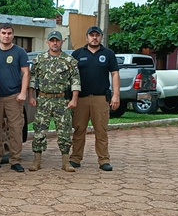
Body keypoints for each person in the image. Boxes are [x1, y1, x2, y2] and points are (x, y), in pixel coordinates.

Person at [28, 31, 81, 172]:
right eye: (52, 40)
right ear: (48, 42)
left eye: (57, 40)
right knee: (39, 130)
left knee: (64, 131)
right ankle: (36, 161)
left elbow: (75, 81)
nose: (55, 43)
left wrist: (74, 99)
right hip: (43, 100)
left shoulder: (69, 61)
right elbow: (32, 80)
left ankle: (65, 162)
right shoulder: (39, 60)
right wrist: (31, 96)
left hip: (62, 101)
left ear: (62, 42)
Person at [70, 26, 120, 172]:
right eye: (91, 35)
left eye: (97, 35)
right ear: (87, 38)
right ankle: (75, 158)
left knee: (101, 131)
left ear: (101, 37)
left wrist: (116, 95)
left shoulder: (108, 54)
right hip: (81, 99)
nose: (94, 38)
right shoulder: (77, 54)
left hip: (100, 98)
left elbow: (115, 74)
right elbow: (71, 76)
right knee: (79, 130)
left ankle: (104, 160)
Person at [0, 23, 30, 173]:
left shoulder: (20, 52)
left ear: (13, 35)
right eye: (3, 33)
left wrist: (23, 92)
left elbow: (26, 73)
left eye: (9, 33)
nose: (6, 36)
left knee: (15, 129)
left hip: (14, 96)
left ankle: (15, 160)